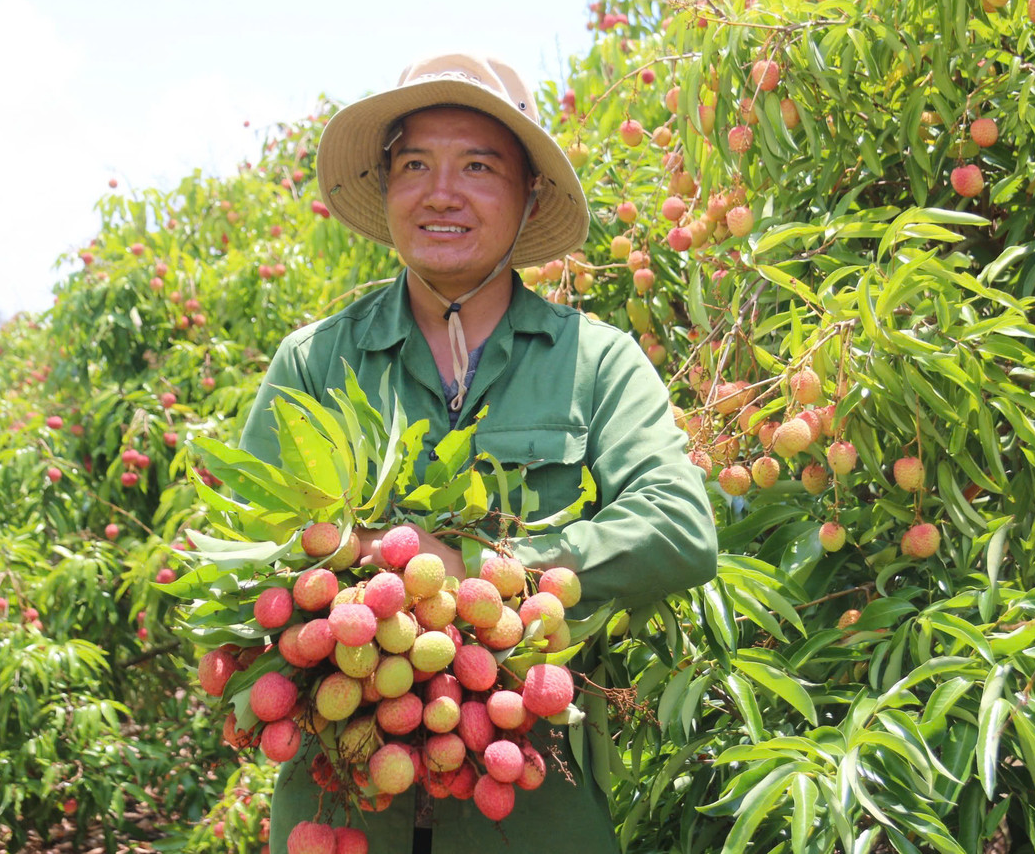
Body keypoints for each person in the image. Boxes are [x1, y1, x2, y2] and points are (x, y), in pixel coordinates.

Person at [239, 53, 717, 854]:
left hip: (533, 809)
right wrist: (340, 578)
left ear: (528, 193)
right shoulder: (314, 362)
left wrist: (478, 568)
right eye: (416, 164)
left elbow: (679, 528)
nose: (441, 192)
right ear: (388, 188)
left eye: (478, 165)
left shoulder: (596, 362)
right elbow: (247, 555)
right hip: (343, 808)